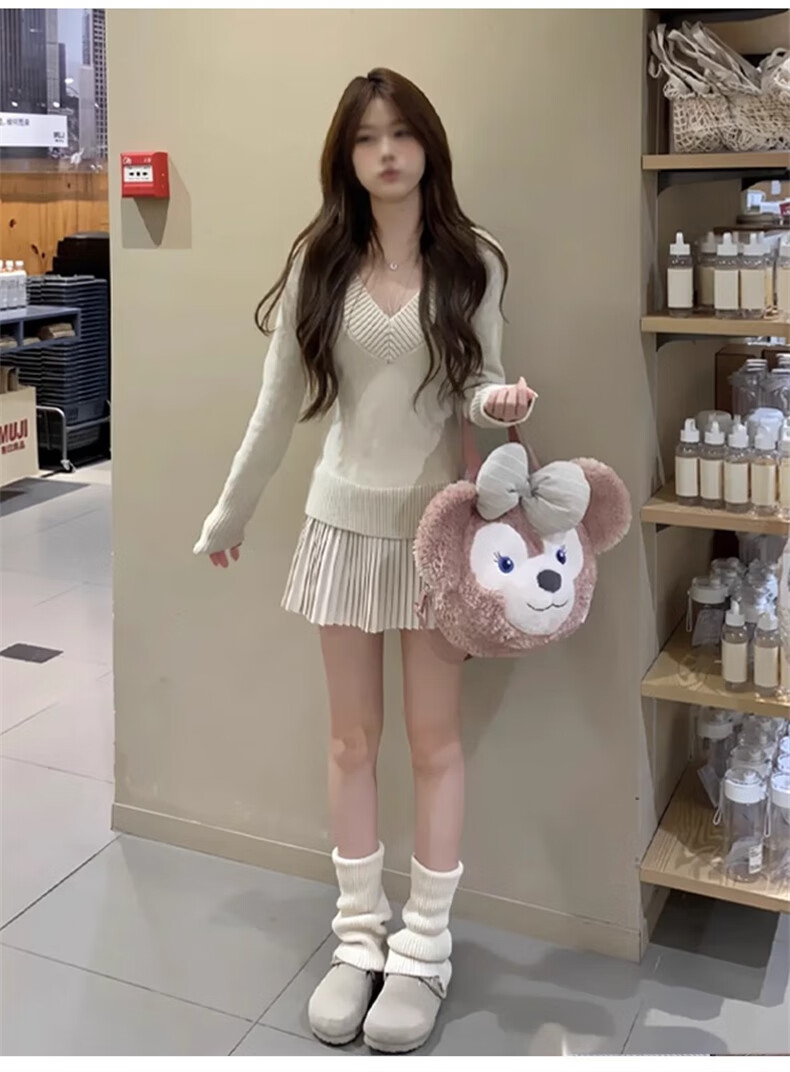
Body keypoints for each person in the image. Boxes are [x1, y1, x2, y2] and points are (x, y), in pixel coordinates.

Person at [194, 67, 535, 1054]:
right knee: (351, 741)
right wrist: (229, 512)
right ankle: (357, 937)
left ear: (427, 144)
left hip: (435, 533)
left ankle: (424, 949)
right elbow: (276, 402)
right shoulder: (320, 260)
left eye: (401, 133)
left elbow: (479, 384)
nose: (386, 152)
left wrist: (500, 404)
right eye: (365, 138)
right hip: (340, 526)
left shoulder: (475, 259)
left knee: (434, 744)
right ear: (345, 157)